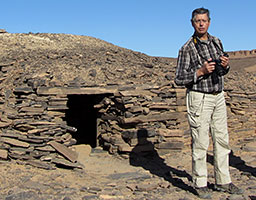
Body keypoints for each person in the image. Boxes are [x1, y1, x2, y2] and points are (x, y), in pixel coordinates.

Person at [174, 7, 243, 199]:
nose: (201, 24)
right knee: (201, 140)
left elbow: (223, 70)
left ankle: (223, 181)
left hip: (218, 95)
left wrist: (225, 65)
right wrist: (200, 72)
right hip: (199, 97)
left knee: (222, 139)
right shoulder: (186, 48)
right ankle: (200, 182)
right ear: (192, 23)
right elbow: (179, 79)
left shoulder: (217, 42)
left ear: (209, 22)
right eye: (198, 21)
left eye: (204, 20)